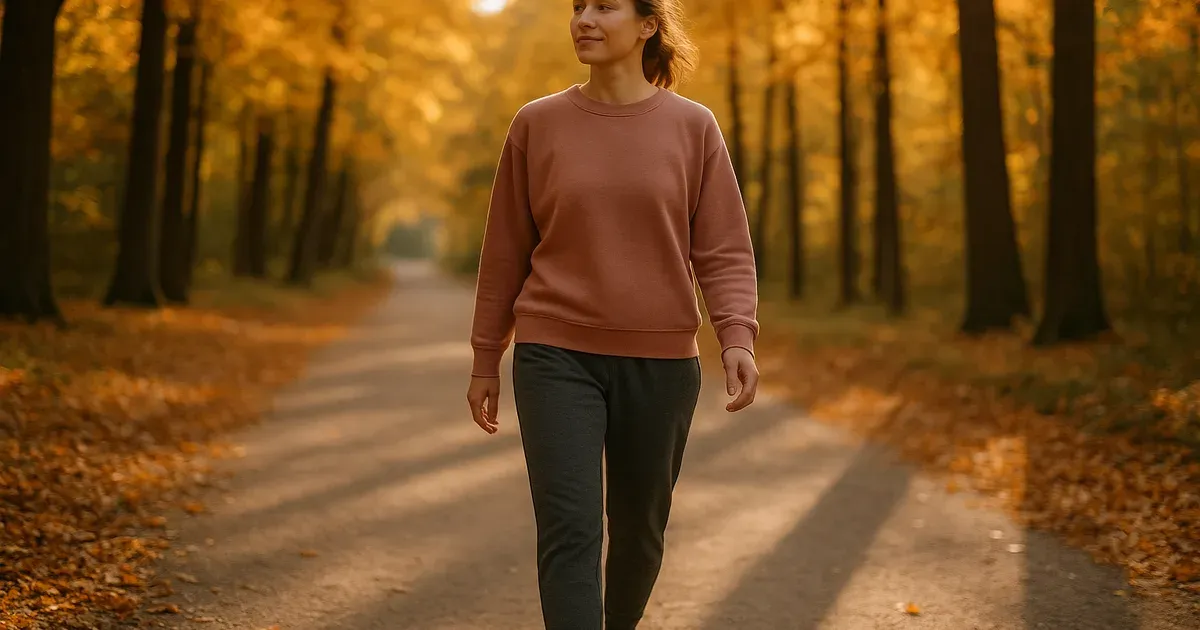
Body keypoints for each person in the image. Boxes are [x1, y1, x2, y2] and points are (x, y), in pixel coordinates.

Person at [465, 0, 759, 628]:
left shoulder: (694, 127)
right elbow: (504, 253)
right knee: (570, 530)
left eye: (604, 6)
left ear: (649, 25)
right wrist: (486, 356)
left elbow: (723, 247)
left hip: (661, 363)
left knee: (640, 535)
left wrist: (736, 334)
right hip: (554, 357)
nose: (584, 20)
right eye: (577, 7)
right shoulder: (536, 124)